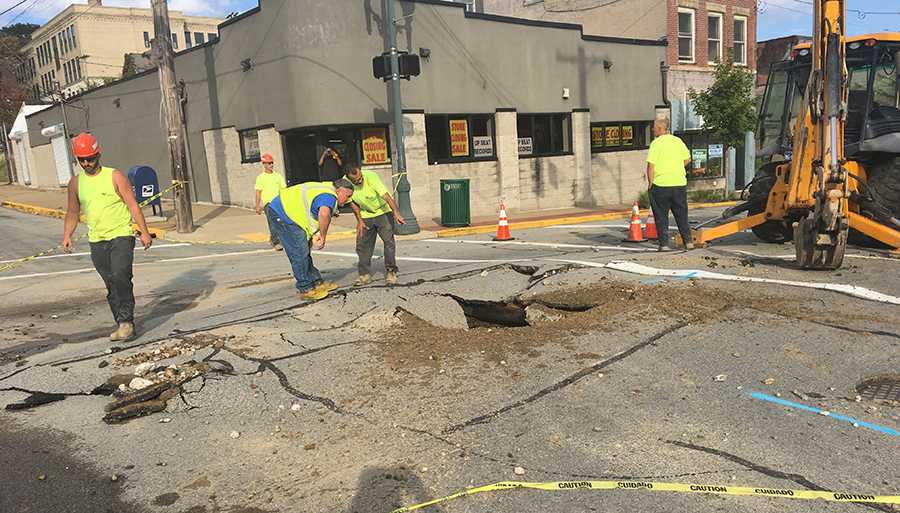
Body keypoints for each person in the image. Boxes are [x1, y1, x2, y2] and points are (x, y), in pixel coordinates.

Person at [62, 132, 153, 341]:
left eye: (90, 158)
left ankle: (126, 322)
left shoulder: (115, 176)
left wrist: (144, 232)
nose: (86, 163)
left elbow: (132, 205)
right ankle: (121, 322)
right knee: (110, 282)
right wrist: (68, 234)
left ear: (98, 154)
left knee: (121, 275)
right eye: (81, 160)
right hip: (97, 239)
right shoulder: (75, 183)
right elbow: (72, 212)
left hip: (121, 235)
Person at [266, 179, 355, 301]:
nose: (348, 200)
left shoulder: (326, 189)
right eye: (347, 196)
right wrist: (323, 236)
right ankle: (305, 288)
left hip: (290, 214)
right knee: (299, 253)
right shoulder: (329, 196)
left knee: (304, 250)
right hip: (282, 214)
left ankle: (316, 282)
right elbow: (324, 214)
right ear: (339, 190)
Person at [344, 164, 405, 285]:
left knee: (388, 242)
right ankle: (364, 274)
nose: (360, 180)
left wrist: (396, 212)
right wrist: (360, 221)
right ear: (349, 178)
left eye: (360, 177)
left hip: (383, 212)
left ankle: (391, 271)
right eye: (356, 181)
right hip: (366, 214)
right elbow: (352, 203)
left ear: (360, 171)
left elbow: (386, 196)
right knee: (362, 245)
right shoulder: (345, 183)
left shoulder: (371, 176)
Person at [646, 119, 694, 251]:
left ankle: (664, 244)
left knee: (661, 216)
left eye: (654, 127)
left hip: (661, 185)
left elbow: (651, 166)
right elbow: (687, 158)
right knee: (682, 214)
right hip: (679, 184)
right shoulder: (677, 141)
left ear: (661, 128)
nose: (652, 129)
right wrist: (676, 167)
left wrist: (650, 182)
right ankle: (688, 242)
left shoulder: (656, 144)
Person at [254, 153, 287, 251]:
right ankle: (276, 242)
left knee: (280, 222)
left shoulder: (278, 176)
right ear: (264, 164)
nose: (271, 165)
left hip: (278, 203)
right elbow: (258, 192)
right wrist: (257, 206)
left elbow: (283, 190)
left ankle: (274, 238)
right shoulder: (261, 177)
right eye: (268, 163)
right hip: (268, 204)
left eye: (272, 163)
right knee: (272, 223)